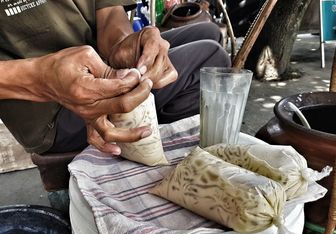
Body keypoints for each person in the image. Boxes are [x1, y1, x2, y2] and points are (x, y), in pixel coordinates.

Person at [0, 0, 230, 157]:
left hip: (97, 66)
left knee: (207, 32)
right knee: (210, 57)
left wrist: (124, 44)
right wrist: (40, 77)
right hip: (47, 113)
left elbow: (110, 13)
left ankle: (153, 143)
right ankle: (164, 160)